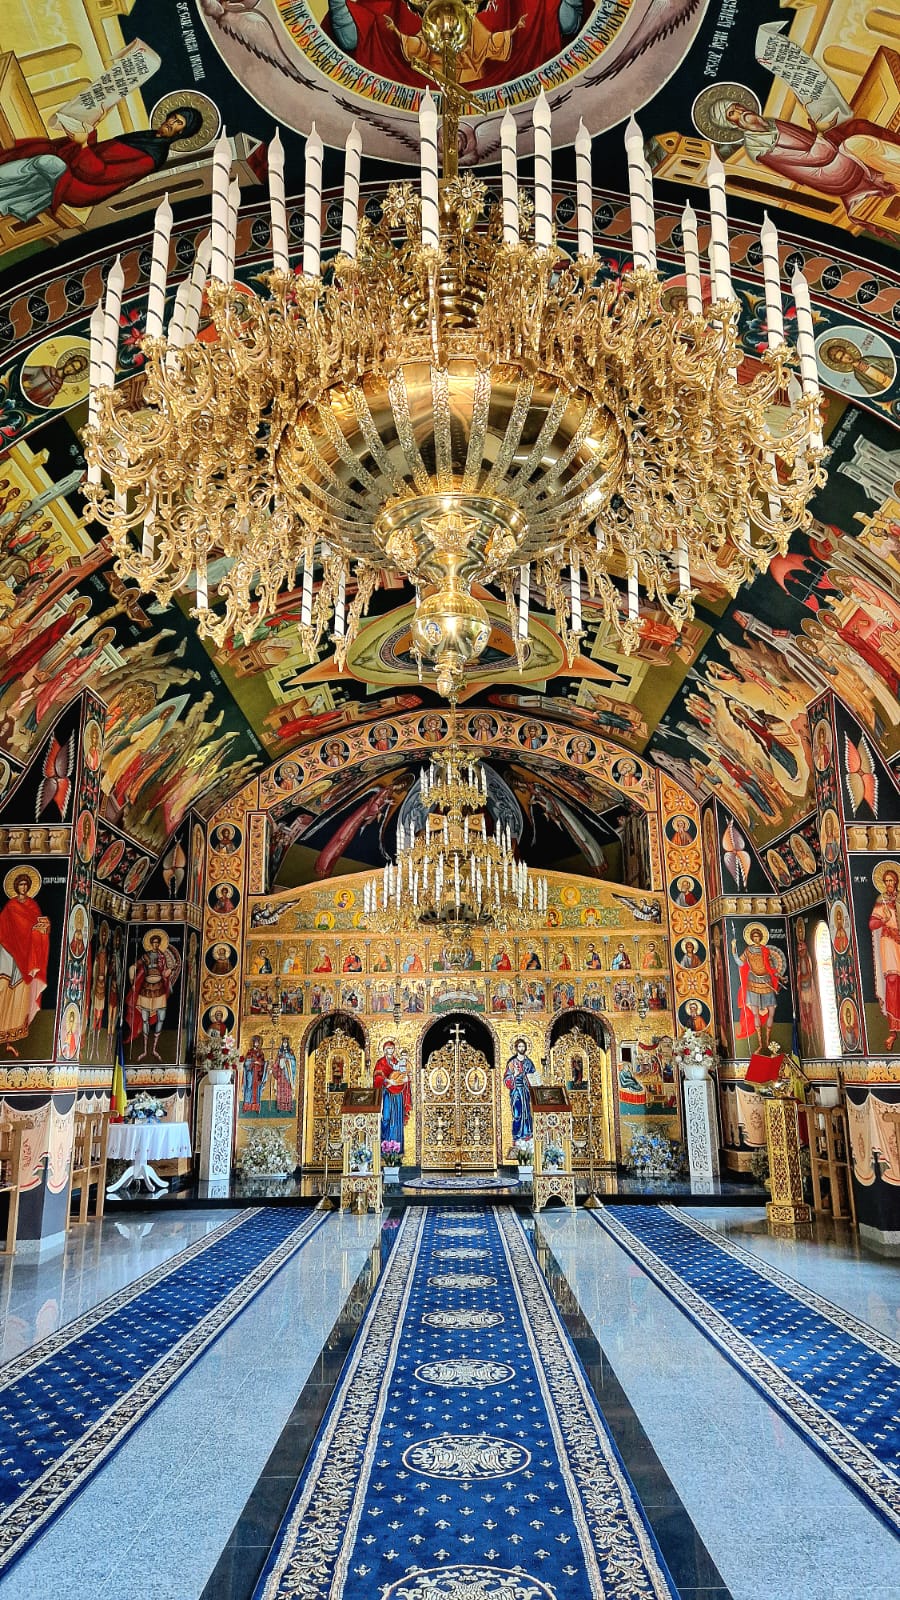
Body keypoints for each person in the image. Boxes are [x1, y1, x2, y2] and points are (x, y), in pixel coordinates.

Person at [0, 107, 204, 223]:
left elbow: (101, 173)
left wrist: (83, 144)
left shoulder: (152, 156)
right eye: (173, 117)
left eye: (178, 123)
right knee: (45, 150)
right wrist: (91, 128)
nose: (171, 123)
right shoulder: (148, 136)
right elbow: (104, 152)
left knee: (47, 161)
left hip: (86, 187)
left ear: (181, 133)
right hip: (83, 171)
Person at [0, 870, 50, 1052]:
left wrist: (42, 929)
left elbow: (38, 926)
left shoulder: (33, 906)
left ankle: (11, 1039)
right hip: (9, 954)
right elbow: (2, 930)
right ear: (15, 886)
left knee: (21, 994)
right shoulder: (10, 906)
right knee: (4, 990)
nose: (23, 887)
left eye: (25, 885)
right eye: (20, 884)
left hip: (27, 959)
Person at [124, 931, 181, 1061]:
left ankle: (154, 1049)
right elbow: (134, 967)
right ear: (150, 944)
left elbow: (165, 973)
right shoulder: (146, 956)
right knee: (144, 1019)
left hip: (159, 989)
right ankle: (144, 1050)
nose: (155, 945)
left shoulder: (163, 957)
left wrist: (169, 971)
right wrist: (132, 980)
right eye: (153, 943)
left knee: (160, 1018)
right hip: (146, 989)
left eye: (157, 943)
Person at [732, 925, 782, 1051]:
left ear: (760, 937)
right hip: (753, 982)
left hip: (766, 981)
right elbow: (740, 963)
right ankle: (760, 1044)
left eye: (758, 936)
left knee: (771, 1012)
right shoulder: (748, 950)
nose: (756, 938)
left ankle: (768, 1041)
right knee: (755, 1014)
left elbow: (770, 966)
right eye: (754, 936)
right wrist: (733, 950)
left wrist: (778, 976)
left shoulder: (765, 950)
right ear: (751, 938)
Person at [869, 868, 900, 1047]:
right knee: (892, 979)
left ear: (896, 882)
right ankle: (893, 1029)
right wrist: (883, 920)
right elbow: (872, 923)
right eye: (886, 881)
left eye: (891, 880)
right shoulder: (881, 901)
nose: (889, 884)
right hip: (888, 941)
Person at [373, 1039, 411, 1155]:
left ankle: (396, 1149)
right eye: (388, 1048)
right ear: (384, 1050)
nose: (391, 1050)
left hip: (398, 1094)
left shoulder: (398, 1062)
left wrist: (406, 1079)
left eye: (392, 1048)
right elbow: (377, 1077)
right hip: (386, 1094)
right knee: (386, 1117)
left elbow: (403, 1074)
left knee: (397, 1119)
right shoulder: (381, 1062)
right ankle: (384, 1147)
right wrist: (388, 1081)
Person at [504, 1037, 538, 1142]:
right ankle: (516, 1136)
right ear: (516, 1048)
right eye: (519, 1046)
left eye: (523, 1046)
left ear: (526, 1047)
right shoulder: (512, 1062)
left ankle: (527, 1135)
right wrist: (514, 1075)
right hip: (516, 1091)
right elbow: (506, 1079)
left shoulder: (529, 1062)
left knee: (527, 1113)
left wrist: (533, 1081)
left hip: (526, 1091)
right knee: (517, 1113)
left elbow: (534, 1076)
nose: (521, 1048)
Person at [241, 1035, 267, 1113]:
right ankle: (247, 1106)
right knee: (249, 1087)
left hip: (258, 1073)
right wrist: (251, 1062)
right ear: (253, 1043)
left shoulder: (261, 1053)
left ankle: (256, 1107)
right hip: (251, 1072)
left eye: (257, 1042)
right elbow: (246, 1063)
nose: (256, 1044)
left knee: (257, 1089)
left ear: (259, 1043)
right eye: (255, 1042)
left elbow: (262, 1063)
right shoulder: (250, 1051)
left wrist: (259, 1062)